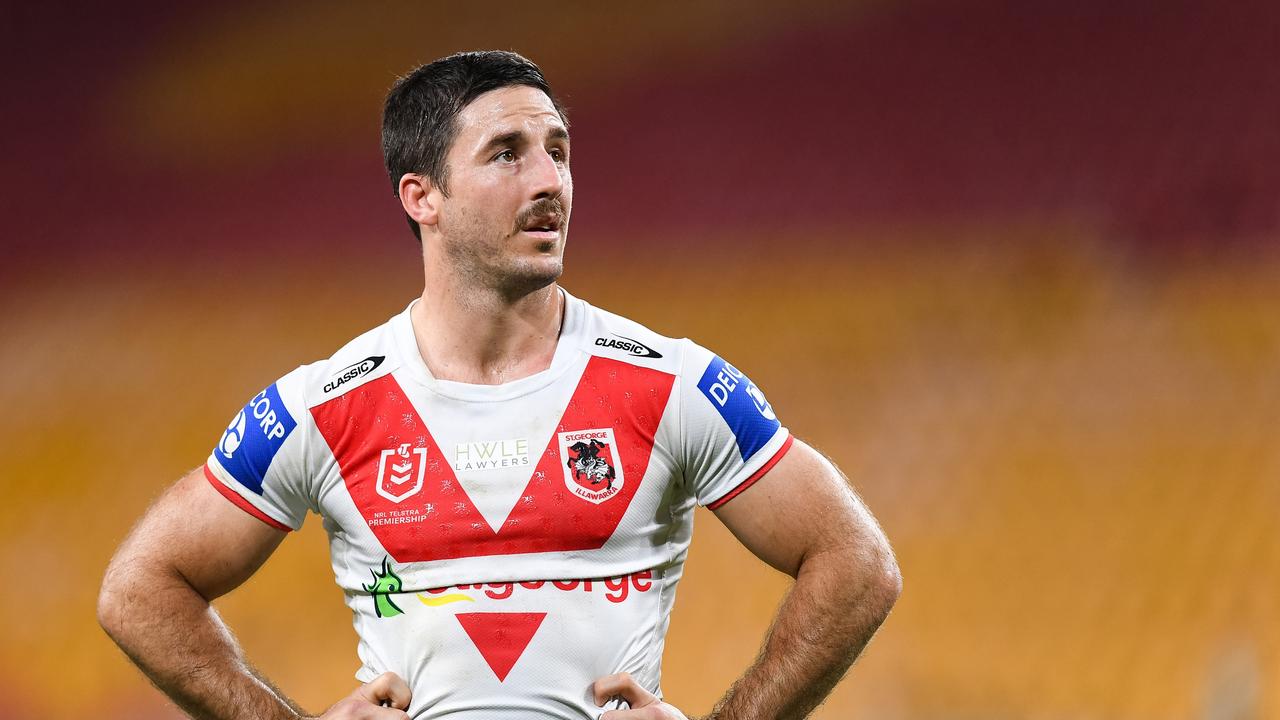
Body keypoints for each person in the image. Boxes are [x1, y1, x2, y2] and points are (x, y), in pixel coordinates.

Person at [97, 50, 902, 720]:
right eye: (507, 153)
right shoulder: (324, 406)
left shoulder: (671, 383)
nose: (549, 179)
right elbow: (139, 592)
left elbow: (856, 564)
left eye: (558, 150)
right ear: (423, 197)